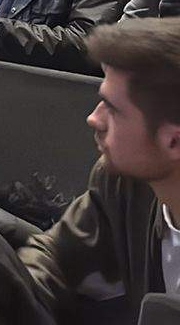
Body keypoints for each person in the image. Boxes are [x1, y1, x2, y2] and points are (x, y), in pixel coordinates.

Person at [19, 18, 180, 323]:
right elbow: (55, 256)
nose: (94, 118)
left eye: (112, 108)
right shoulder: (121, 180)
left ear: (174, 141)